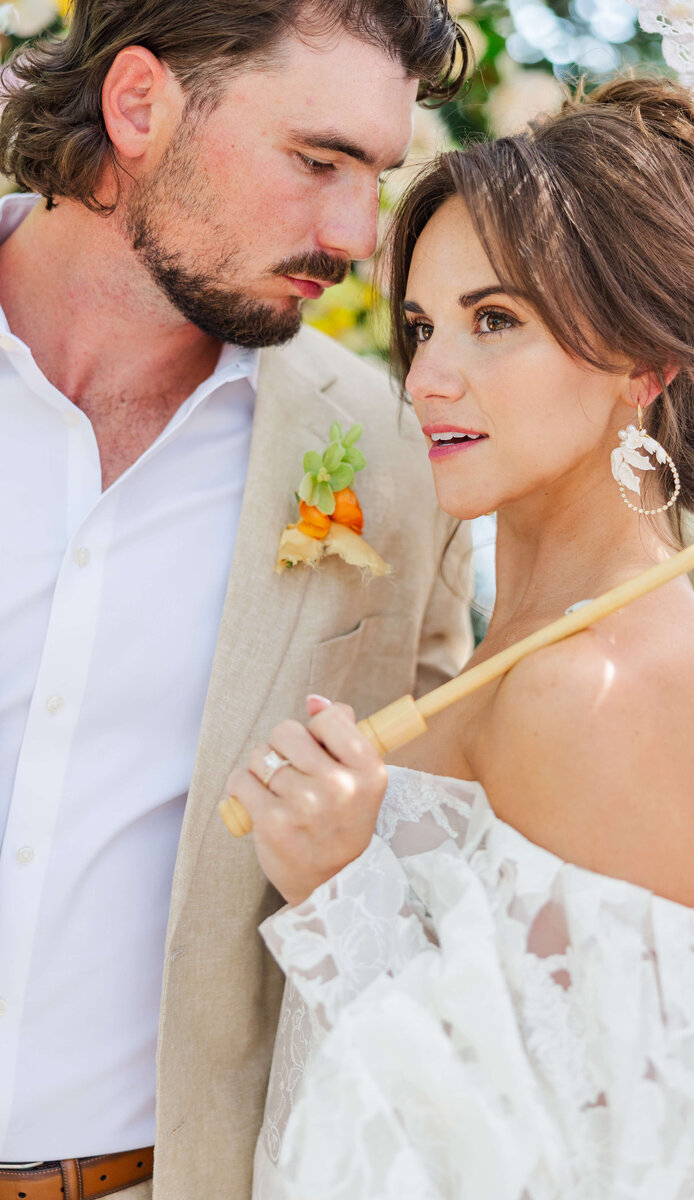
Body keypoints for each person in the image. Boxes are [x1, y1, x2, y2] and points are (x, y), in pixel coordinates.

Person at [227, 76, 694, 1199]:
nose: (429, 375)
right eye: (423, 325)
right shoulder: (534, 638)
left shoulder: (593, 684)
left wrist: (340, 892)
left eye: (496, 322)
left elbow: (563, 1173)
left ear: (645, 364)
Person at [0, 4, 476, 1200]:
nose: (355, 233)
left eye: (373, 177)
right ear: (139, 106)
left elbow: (444, 876)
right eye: (316, 161)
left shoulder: (392, 458)